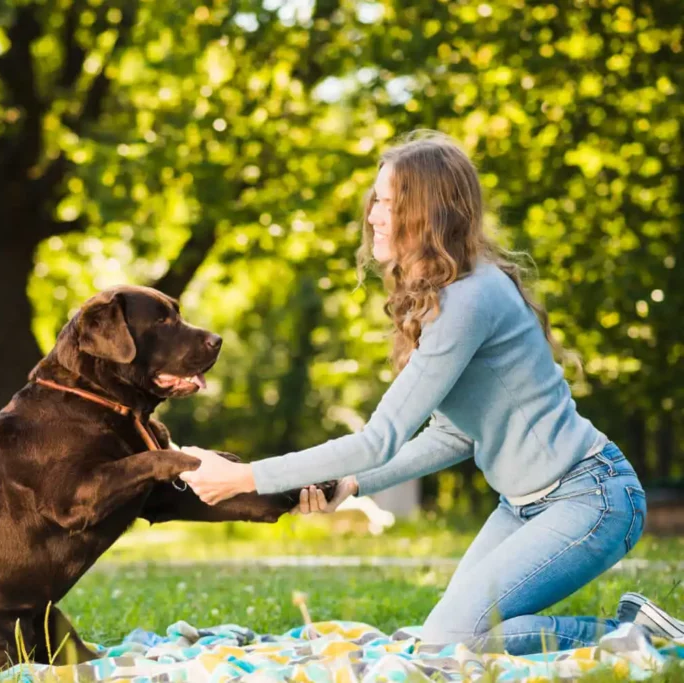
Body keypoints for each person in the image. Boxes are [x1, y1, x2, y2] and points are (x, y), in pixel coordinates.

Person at [178, 131, 684, 654]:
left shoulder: (471, 300)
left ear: (431, 215)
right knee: (446, 639)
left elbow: (380, 439)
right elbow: (453, 436)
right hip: (523, 506)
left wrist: (245, 477)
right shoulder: (446, 299)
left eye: (391, 203)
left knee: (451, 641)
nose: (374, 214)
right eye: (375, 199)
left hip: (591, 497)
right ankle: (632, 629)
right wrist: (351, 484)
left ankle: (637, 637)